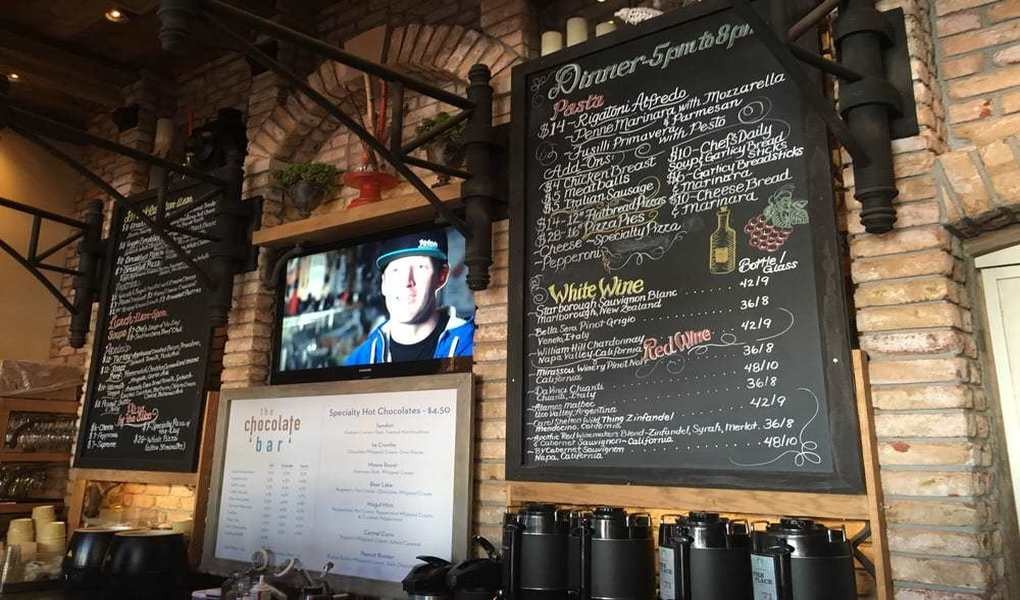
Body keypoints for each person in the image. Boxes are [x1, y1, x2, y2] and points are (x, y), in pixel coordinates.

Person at [344, 230, 474, 365]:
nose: (407, 281)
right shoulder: (358, 361)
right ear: (384, 283)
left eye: (420, 267)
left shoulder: (474, 346)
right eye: (396, 270)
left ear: (442, 276)